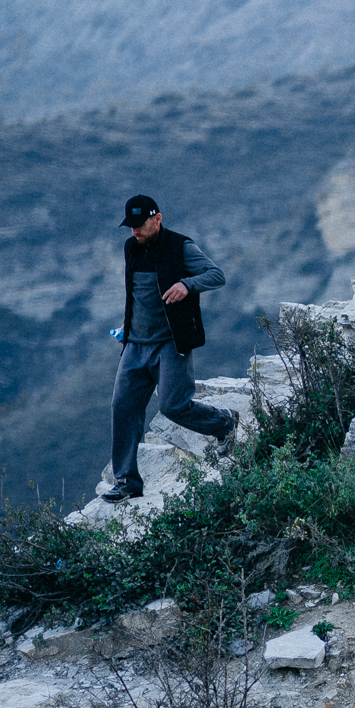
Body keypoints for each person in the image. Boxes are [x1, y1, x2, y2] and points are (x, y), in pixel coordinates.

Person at [102, 195, 237, 502]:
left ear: (157, 219)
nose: (134, 231)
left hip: (170, 343)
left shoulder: (181, 247)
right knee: (123, 407)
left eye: (140, 225)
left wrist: (187, 285)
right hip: (135, 344)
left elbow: (217, 275)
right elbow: (135, 293)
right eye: (130, 226)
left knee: (172, 406)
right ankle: (127, 481)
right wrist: (128, 324)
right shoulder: (130, 248)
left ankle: (225, 423)